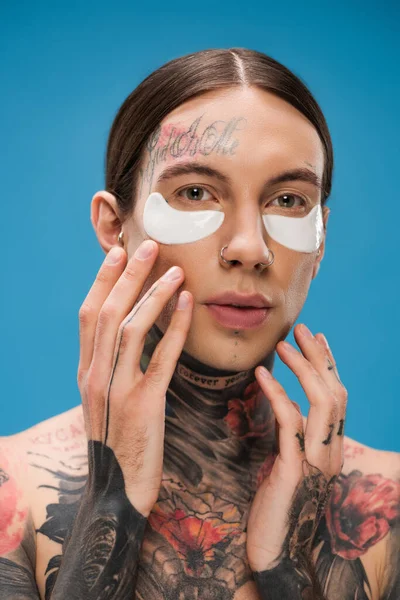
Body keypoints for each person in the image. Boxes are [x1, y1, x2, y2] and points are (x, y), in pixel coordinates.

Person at [0, 48, 399, 600]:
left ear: (321, 239)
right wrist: (110, 503)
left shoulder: (387, 507)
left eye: (287, 199)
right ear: (115, 227)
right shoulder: (10, 492)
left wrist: (287, 567)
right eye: (194, 192)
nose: (249, 248)